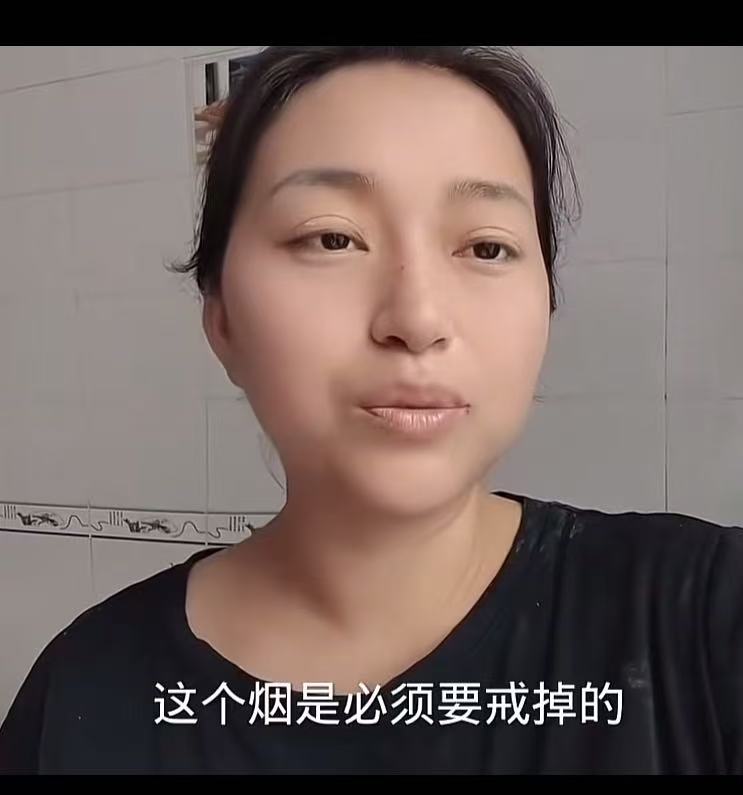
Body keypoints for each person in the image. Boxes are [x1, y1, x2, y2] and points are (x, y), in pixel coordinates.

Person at [1, 45, 741, 775]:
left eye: (486, 247)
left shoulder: (703, 618)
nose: (417, 319)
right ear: (221, 318)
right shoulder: (85, 695)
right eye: (332, 237)